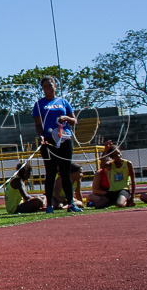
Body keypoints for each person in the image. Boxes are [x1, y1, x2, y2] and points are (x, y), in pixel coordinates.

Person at [33, 75, 82, 213]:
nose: (48, 88)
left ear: (55, 86)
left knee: (65, 172)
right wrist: (42, 136)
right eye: (45, 86)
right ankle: (49, 204)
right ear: (42, 88)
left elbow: (74, 120)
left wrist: (66, 118)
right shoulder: (39, 104)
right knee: (50, 172)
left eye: (51, 85)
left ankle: (71, 203)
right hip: (49, 140)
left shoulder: (63, 102)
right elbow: (37, 124)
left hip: (64, 139)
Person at [92, 144, 135, 208]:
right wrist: (105, 152)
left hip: (123, 190)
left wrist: (132, 196)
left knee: (120, 205)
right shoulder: (111, 164)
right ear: (112, 157)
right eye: (115, 155)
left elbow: (133, 180)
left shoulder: (128, 163)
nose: (118, 156)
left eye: (118, 153)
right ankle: (112, 201)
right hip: (112, 191)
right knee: (98, 206)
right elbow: (103, 166)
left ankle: (126, 201)